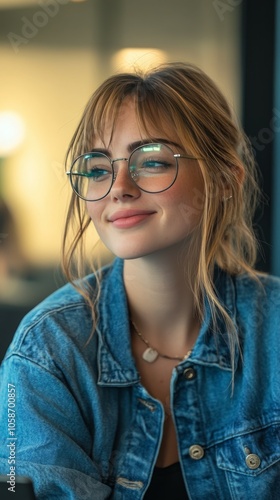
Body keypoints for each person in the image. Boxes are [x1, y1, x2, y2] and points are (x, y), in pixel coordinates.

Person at [0, 62, 280, 499]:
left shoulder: (274, 332)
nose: (118, 187)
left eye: (151, 161)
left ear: (225, 179)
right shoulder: (48, 351)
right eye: (97, 168)